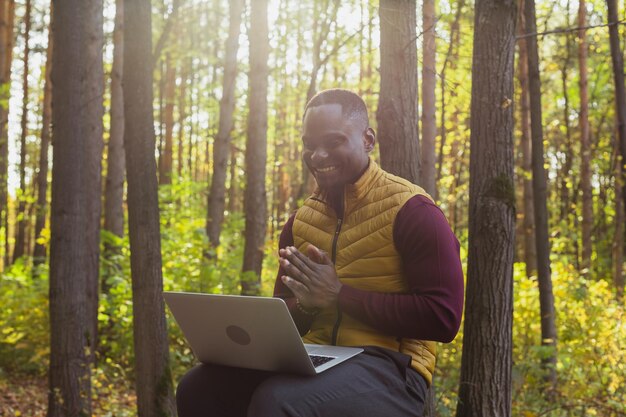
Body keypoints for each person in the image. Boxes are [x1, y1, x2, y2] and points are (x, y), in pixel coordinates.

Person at [176, 88, 464, 417]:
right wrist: (306, 309)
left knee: (278, 400)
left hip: (393, 370)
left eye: (333, 142)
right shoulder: (299, 224)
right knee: (199, 387)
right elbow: (286, 316)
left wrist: (340, 295)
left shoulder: (413, 211)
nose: (317, 156)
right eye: (309, 145)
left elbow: (443, 319)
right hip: (315, 358)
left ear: (368, 139)